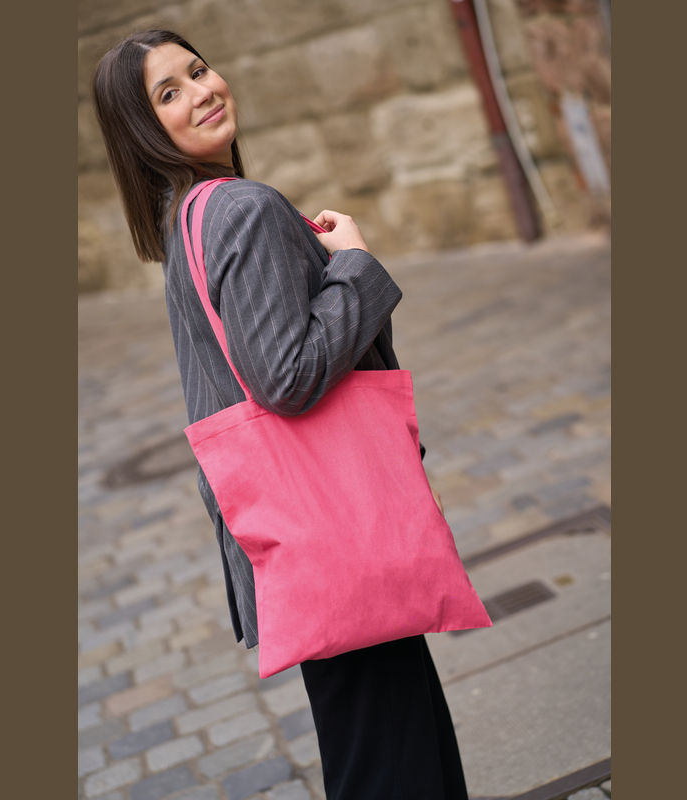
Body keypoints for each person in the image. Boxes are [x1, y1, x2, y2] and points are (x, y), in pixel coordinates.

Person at [92, 29, 469, 800]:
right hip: (335, 526)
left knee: (397, 746)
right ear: (142, 130)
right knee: (389, 763)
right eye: (169, 93)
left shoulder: (188, 220)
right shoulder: (239, 210)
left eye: (198, 70)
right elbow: (286, 377)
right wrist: (354, 265)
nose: (202, 91)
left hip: (305, 534)